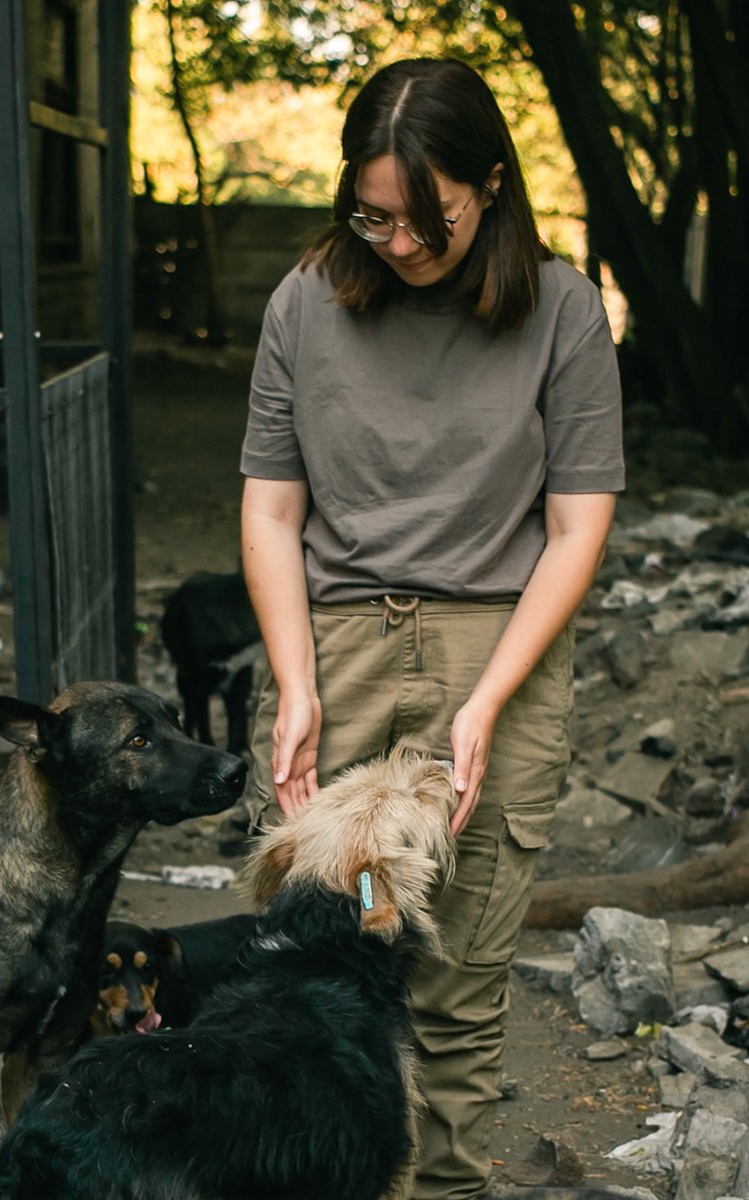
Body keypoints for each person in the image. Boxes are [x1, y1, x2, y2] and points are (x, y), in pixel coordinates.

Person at [239, 57, 624, 1200]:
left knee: (455, 987)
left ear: (491, 186)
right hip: (336, 650)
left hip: (495, 651)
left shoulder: (561, 310)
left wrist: (488, 702)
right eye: (372, 214)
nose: (395, 243)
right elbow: (269, 509)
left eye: (425, 217)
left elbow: (575, 527)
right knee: (317, 967)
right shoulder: (305, 301)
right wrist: (297, 688)